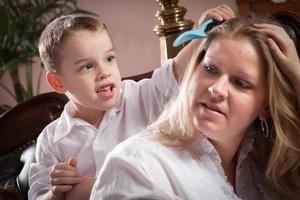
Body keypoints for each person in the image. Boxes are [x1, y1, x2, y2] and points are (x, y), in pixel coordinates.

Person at [28, 5, 235, 200]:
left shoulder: (141, 97)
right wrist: (55, 193)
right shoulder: (51, 140)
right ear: (57, 82)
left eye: (109, 59)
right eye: (87, 67)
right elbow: (39, 195)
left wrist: (203, 32)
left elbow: (177, 71)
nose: (104, 72)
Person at [90, 17, 300, 200]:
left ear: (265, 107)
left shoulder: (268, 168)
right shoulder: (136, 165)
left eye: (241, 83)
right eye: (210, 69)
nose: (217, 89)